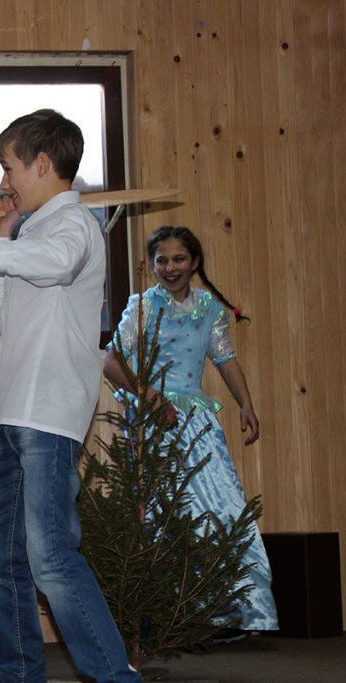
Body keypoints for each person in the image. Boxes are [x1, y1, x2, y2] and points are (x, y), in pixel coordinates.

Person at [0, 109, 140, 683]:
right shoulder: (32, 234)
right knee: (3, 557)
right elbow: (8, 316)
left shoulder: (75, 225)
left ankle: (117, 678)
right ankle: (19, 674)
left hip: (50, 416)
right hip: (14, 415)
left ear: (42, 165)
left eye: (9, 168)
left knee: (52, 556)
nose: (3, 182)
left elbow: (57, 265)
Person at [103, 225, 277, 636]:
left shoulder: (209, 309)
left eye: (179, 259)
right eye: (162, 260)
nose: (170, 267)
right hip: (154, 421)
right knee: (164, 512)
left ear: (194, 262)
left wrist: (246, 404)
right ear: (153, 265)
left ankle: (227, 611)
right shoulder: (143, 307)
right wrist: (149, 398)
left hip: (197, 421)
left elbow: (225, 360)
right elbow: (112, 362)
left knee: (221, 506)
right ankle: (166, 616)